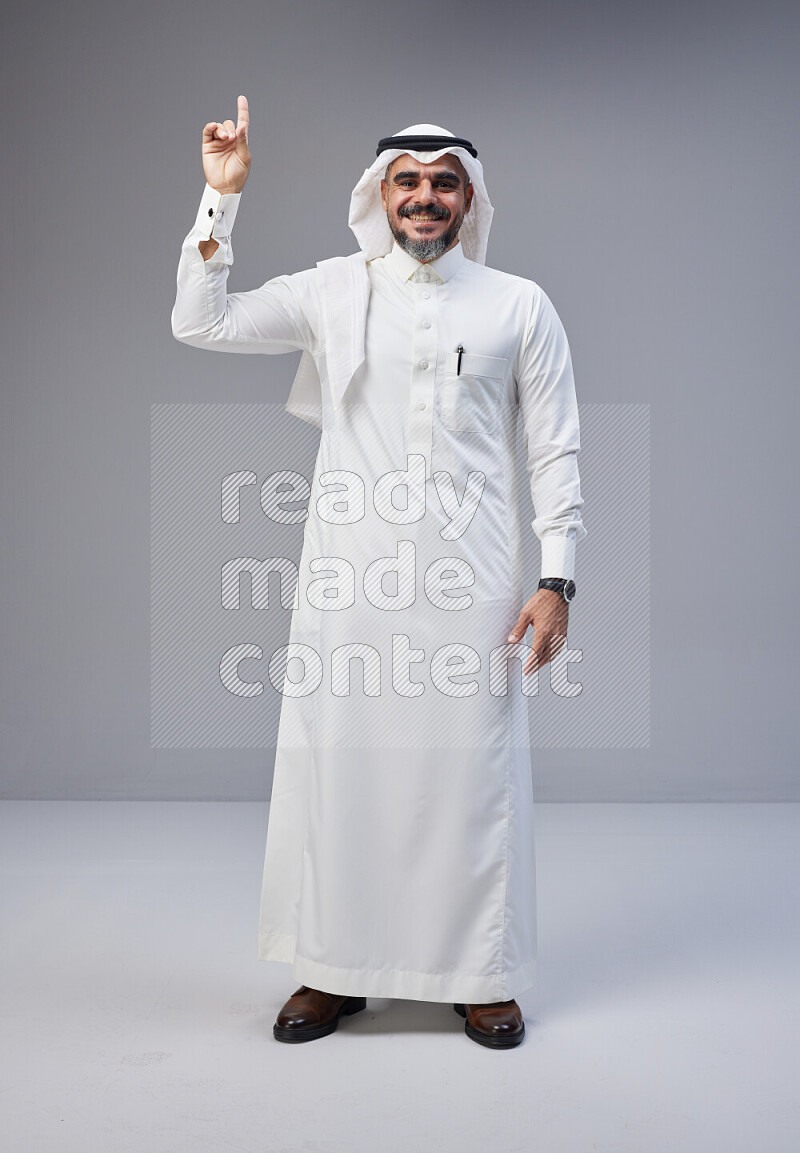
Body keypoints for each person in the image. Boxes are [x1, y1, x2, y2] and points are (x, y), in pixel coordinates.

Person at [171, 95, 586, 1050]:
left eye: (445, 183)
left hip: (474, 584)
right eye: (408, 181)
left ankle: (481, 973)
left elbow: (556, 450)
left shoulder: (519, 303)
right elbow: (203, 321)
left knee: (470, 777)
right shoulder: (332, 289)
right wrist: (219, 198)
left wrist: (556, 580)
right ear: (381, 194)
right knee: (343, 775)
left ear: (469, 197)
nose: (425, 198)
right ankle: (333, 968)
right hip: (347, 580)